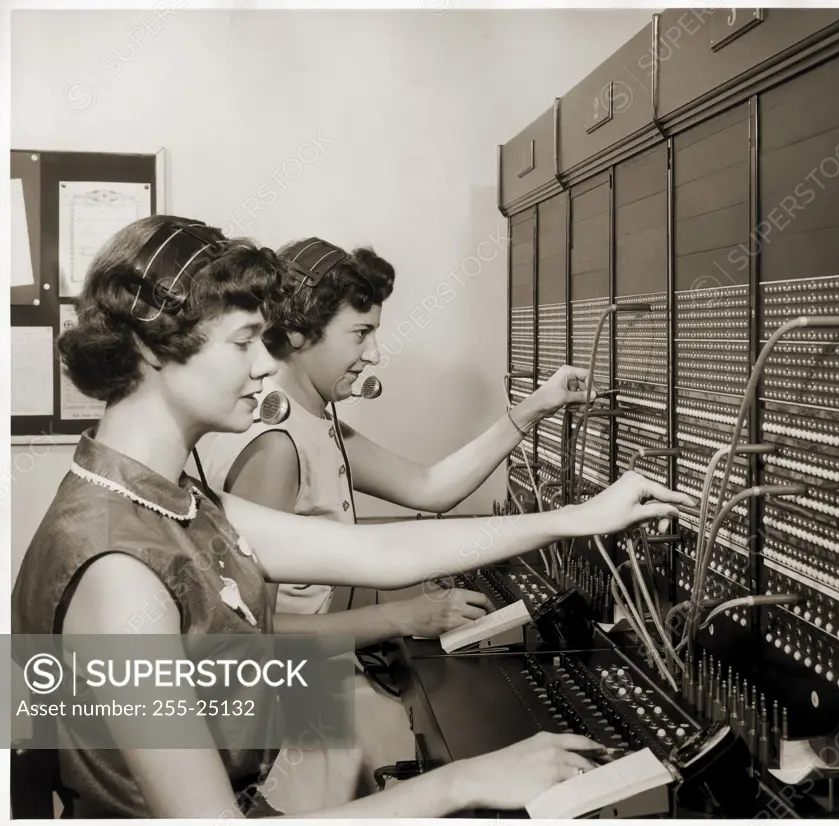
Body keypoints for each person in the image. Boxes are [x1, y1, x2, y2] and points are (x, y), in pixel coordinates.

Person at [11, 214, 694, 819]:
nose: (262, 365)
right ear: (155, 348)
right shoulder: (117, 571)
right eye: (244, 340)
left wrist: (573, 519)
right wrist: (460, 783)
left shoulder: (161, 499)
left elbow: (386, 555)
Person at [192, 237, 595, 805]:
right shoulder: (277, 445)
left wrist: (532, 409)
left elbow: (430, 489)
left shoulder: (312, 419)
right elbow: (258, 636)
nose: (374, 353)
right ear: (301, 334)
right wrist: (408, 614)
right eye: (360, 334)